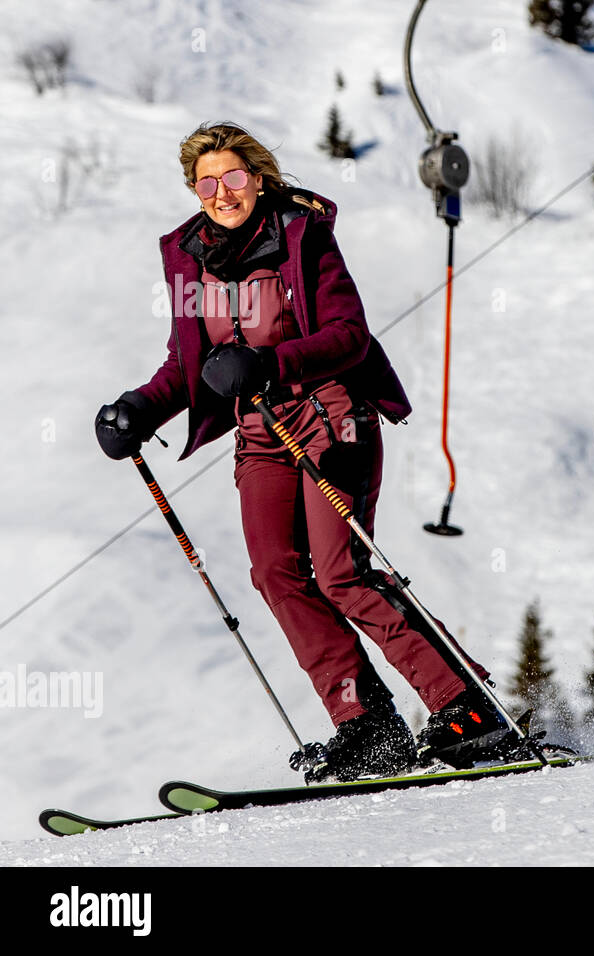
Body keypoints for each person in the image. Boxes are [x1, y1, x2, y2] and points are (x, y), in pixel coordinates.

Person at [94, 122, 506, 777]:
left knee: (342, 571)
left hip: (331, 413)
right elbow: (189, 361)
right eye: (208, 182)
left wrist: (268, 362)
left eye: (234, 177)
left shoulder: (299, 235)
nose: (223, 192)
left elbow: (350, 335)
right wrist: (140, 408)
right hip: (261, 437)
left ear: (258, 176)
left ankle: (467, 706)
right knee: (275, 574)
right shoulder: (187, 256)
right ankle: (367, 726)